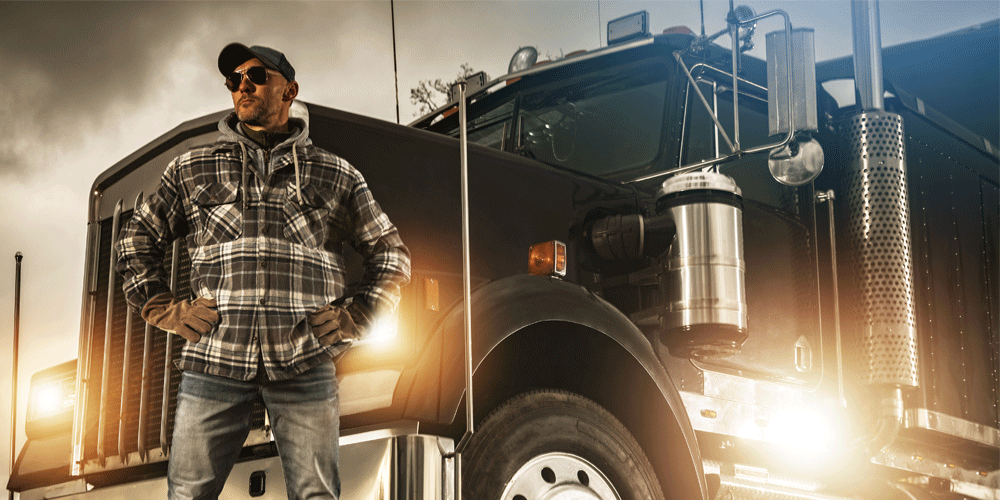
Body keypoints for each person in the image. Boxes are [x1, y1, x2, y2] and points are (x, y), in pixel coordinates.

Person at [115, 43, 410, 500]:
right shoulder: (191, 168)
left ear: (289, 89)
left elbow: (390, 252)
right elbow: (135, 240)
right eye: (234, 80)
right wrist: (166, 309)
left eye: (255, 75)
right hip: (214, 363)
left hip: (304, 363)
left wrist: (357, 317)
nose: (242, 86)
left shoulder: (336, 175)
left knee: (317, 496)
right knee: (187, 496)